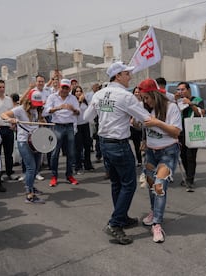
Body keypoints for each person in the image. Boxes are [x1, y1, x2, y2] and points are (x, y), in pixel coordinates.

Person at [83, 61, 151, 245]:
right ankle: (115, 223)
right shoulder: (125, 96)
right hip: (119, 145)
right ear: (118, 76)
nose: (130, 77)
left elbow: (86, 117)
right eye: (127, 74)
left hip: (104, 144)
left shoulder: (98, 94)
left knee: (116, 183)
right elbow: (146, 118)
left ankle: (121, 217)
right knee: (128, 185)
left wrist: (104, 111)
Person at [138, 79, 182, 243]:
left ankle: (157, 224)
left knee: (159, 187)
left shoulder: (171, 108)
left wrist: (157, 122)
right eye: (143, 99)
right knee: (151, 185)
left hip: (168, 152)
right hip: (151, 153)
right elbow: (142, 127)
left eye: (146, 98)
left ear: (154, 95)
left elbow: (176, 132)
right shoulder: (145, 109)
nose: (145, 102)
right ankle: (153, 211)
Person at [1, 90, 47, 204]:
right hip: (24, 141)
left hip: (36, 140)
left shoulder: (38, 110)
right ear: (29, 101)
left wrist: (42, 121)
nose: (35, 107)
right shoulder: (20, 109)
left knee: (36, 167)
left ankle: (31, 186)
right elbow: (3, 114)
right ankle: (29, 194)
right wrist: (10, 119)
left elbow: (41, 120)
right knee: (30, 167)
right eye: (34, 104)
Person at [43, 79, 80, 186]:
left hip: (69, 126)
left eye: (66, 88)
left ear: (69, 89)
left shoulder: (72, 98)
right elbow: (46, 112)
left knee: (71, 153)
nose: (64, 90)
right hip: (57, 127)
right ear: (59, 86)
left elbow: (78, 112)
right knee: (55, 153)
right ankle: (54, 176)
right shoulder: (52, 97)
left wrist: (73, 109)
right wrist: (58, 108)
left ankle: (69, 175)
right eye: (63, 87)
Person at [174, 81, 205, 192]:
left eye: (182, 89)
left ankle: (190, 180)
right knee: (183, 155)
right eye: (178, 90)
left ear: (188, 90)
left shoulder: (197, 100)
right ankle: (188, 176)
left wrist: (190, 104)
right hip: (181, 132)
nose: (180, 92)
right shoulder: (177, 101)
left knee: (191, 156)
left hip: (192, 132)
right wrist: (174, 100)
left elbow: (201, 113)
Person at [72, 86, 94, 174]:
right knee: (78, 147)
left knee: (87, 145)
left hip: (85, 125)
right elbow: (74, 112)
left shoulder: (85, 101)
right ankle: (78, 166)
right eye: (76, 91)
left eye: (80, 91)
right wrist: (80, 101)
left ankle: (88, 164)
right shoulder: (74, 102)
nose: (78, 93)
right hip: (77, 126)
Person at [130, 86, 143, 167]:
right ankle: (139, 160)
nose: (137, 94)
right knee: (136, 144)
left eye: (138, 92)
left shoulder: (144, 102)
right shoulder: (131, 103)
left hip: (143, 126)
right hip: (133, 126)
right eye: (136, 92)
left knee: (145, 143)